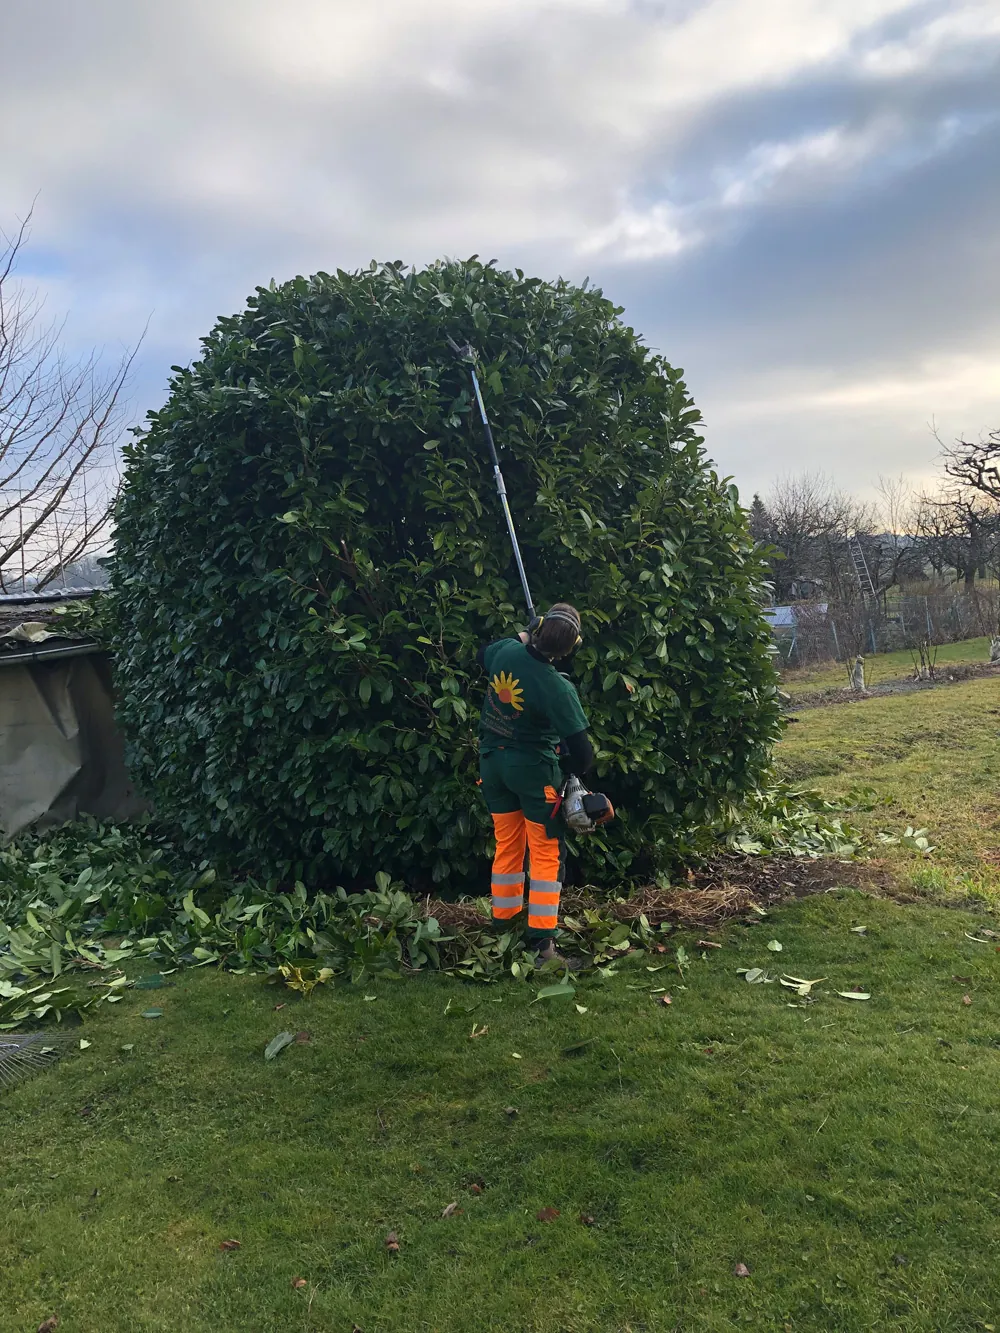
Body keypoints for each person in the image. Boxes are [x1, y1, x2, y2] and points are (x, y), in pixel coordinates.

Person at [476, 603, 595, 958]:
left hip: (492, 764)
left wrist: (525, 635)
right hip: (532, 771)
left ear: (539, 626)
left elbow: (482, 654)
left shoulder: (506, 652)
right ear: (571, 648)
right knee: (545, 850)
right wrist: (570, 771)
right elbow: (583, 754)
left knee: (507, 843)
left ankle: (504, 925)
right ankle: (543, 945)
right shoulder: (556, 687)